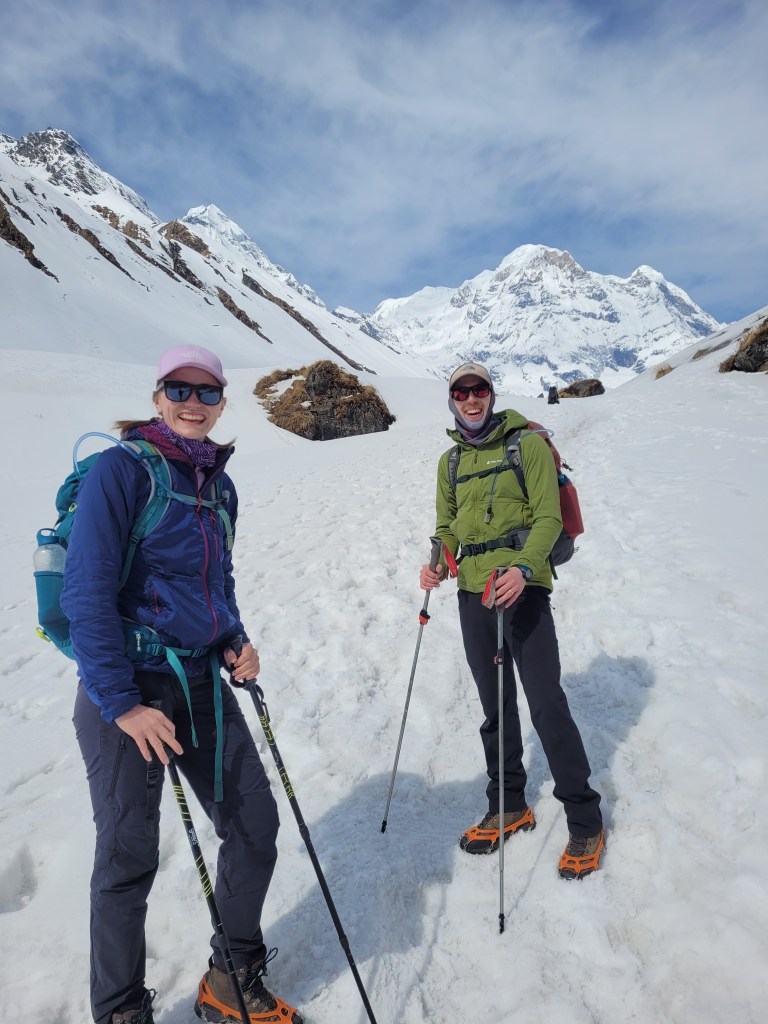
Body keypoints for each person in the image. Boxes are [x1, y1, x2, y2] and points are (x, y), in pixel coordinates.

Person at [62, 345, 303, 1024]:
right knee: (128, 856)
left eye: (207, 392)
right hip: (129, 687)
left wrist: (232, 638)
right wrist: (123, 705)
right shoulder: (122, 470)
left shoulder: (219, 486)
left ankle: (230, 979)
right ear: (157, 396)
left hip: (199, 679)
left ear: (223, 403)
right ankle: (120, 1010)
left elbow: (215, 582)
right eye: (179, 389)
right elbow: (86, 595)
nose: (193, 403)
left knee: (254, 825)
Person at [419, 361, 604, 879]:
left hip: (523, 589)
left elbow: (547, 518)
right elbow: (447, 526)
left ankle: (584, 818)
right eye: (461, 393)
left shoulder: (527, 446)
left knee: (546, 703)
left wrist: (524, 569)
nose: (471, 399)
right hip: (473, 594)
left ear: (491, 395)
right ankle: (509, 804)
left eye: (479, 390)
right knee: (494, 707)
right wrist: (438, 561)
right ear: (452, 401)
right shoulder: (450, 462)